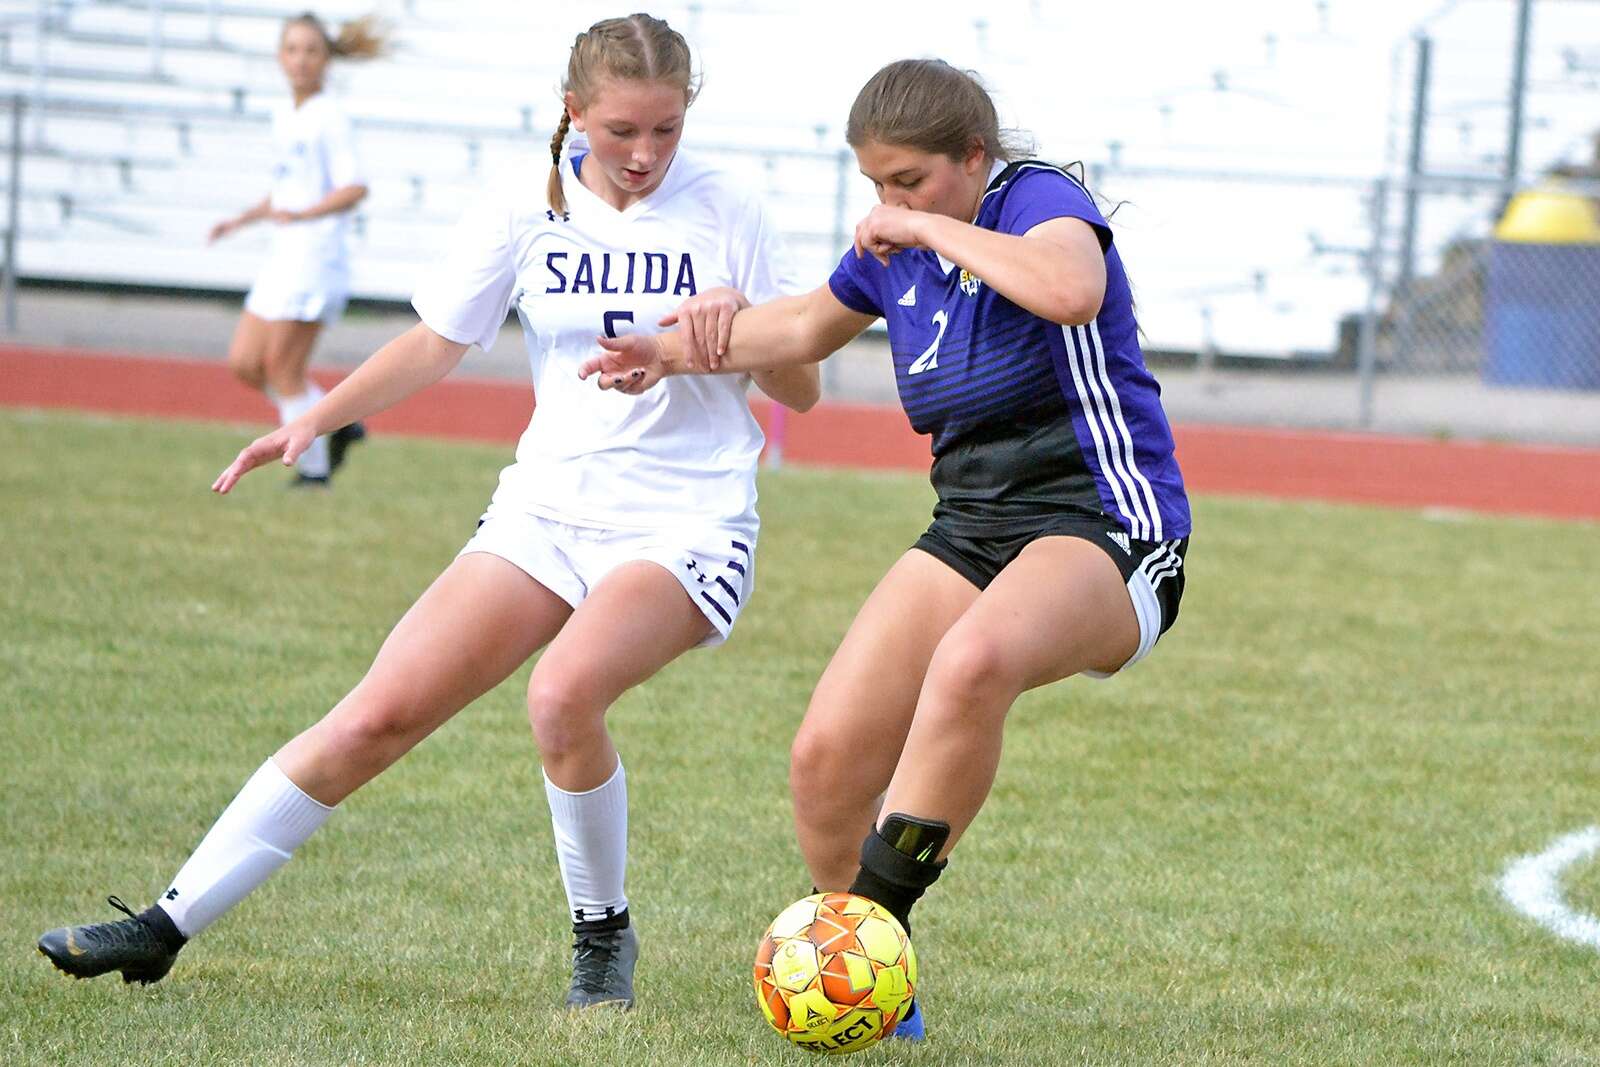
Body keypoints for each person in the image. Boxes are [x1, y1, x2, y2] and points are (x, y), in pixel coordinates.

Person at [36, 13, 819, 1011]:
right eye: (622, 129)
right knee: (377, 713)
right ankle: (161, 924)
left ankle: (601, 934)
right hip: (545, 507)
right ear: (572, 110)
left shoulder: (730, 206)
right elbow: (436, 341)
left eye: (666, 130)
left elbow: (804, 387)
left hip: (686, 521)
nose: (644, 154)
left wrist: (733, 330)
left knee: (560, 695)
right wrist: (310, 420)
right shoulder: (521, 202)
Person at [580, 58, 1191, 1039]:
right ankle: (879, 1001)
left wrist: (927, 224)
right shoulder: (895, 245)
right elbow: (801, 328)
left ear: (973, 159)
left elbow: (1071, 290)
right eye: (875, 186)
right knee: (825, 761)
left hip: (1109, 524)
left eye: (908, 181)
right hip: (973, 528)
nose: (885, 206)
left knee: (972, 661)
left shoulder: (1039, 200)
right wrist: (669, 346)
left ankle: (867, 937)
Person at [208, 12, 387, 487]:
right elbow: (287, 191)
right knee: (245, 364)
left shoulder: (330, 117)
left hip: (315, 257)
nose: (301, 59)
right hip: (283, 253)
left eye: (311, 50)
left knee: (283, 368)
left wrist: (306, 215)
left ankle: (313, 471)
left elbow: (354, 188)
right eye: (292, 49)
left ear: (325, 59)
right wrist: (241, 219)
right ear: (279, 57)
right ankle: (338, 421)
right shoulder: (286, 114)